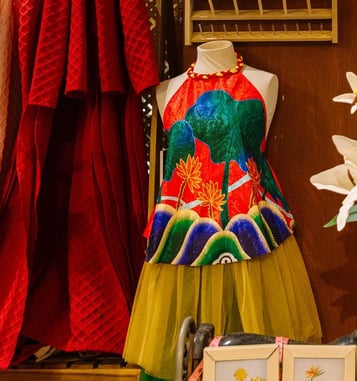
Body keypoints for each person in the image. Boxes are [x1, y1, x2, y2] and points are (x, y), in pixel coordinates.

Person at [123, 41, 322, 380]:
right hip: (183, 229)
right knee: (176, 352)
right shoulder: (168, 90)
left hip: (247, 229)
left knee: (262, 346)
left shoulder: (262, 83)